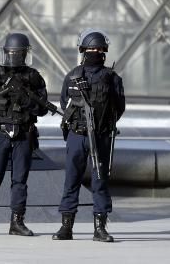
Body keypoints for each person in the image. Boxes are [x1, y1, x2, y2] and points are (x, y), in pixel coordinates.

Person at [0, 32, 48, 237]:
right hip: (0, 133)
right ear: (5, 53)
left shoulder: (34, 77)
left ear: (25, 54)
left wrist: (25, 101)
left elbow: (42, 109)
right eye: (12, 53)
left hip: (24, 134)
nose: (15, 57)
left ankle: (17, 222)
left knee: (19, 180)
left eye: (19, 53)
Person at [53, 29, 125, 243]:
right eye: (91, 49)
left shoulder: (112, 78)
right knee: (71, 180)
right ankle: (66, 227)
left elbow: (119, 107)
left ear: (104, 51)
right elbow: (65, 103)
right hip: (77, 135)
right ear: (84, 50)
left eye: (98, 49)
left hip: (101, 137)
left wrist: (103, 125)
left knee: (100, 181)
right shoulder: (73, 76)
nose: (95, 52)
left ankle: (99, 228)